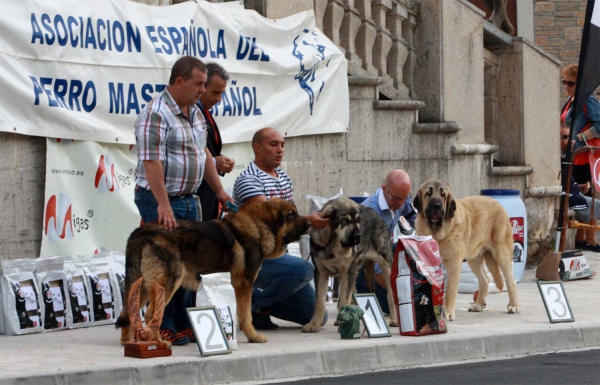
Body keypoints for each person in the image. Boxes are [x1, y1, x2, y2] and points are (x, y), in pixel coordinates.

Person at [134, 56, 233, 345]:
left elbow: (203, 154)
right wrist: (163, 205)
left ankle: (184, 323)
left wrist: (219, 191)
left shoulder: (196, 112)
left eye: (204, 84)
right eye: (199, 84)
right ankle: (161, 324)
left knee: (191, 266)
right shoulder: (156, 113)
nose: (203, 90)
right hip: (162, 201)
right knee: (166, 267)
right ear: (180, 82)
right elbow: (151, 163)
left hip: (191, 200)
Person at [232, 128, 329, 330]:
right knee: (304, 270)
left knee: (318, 317)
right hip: (254, 256)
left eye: (282, 145)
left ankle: (262, 307)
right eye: (273, 144)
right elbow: (270, 226)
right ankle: (254, 303)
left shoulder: (283, 177)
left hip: (278, 254)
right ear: (257, 148)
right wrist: (307, 221)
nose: (280, 150)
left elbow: (291, 222)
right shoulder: (248, 180)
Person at [355, 170, 416, 314]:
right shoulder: (370, 212)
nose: (400, 204)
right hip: (364, 266)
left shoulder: (401, 198)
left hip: (385, 252)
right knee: (401, 308)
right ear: (384, 189)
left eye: (404, 199)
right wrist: (401, 297)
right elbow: (376, 267)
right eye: (395, 199)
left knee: (409, 247)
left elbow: (414, 220)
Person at [561, 63, 600, 251]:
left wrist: (579, 138)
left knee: (587, 197)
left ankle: (590, 239)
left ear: (581, 84)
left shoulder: (587, 100)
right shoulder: (570, 101)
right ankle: (581, 237)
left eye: (571, 83)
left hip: (583, 156)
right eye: (564, 82)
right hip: (571, 155)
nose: (566, 87)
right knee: (580, 195)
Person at [194, 62, 235, 221]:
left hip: (208, 197)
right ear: (202, 86)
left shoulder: (203, 112)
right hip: (195, 196)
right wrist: (213, 161)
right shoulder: (191, 113)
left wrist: (219, 162)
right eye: (215, 92)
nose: (218, 99)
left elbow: (205, 149)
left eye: (222, 94)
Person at [561, 126, 600, 252]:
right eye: (565, 137)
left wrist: (578, 187)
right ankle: (590, 240)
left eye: (568, 137)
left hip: (571, 192)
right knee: (595, 204)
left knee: (591, 200)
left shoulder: (567, 156)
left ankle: (581, 239)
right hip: (566, 196)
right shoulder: (561, 158)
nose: (568, 141)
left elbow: (568, 181)